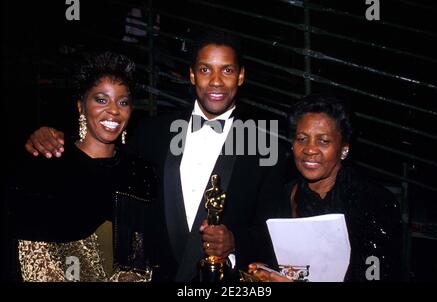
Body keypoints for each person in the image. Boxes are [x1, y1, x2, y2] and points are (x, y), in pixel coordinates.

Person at [24, 31, 286, 281]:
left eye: (227, 70)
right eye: (205, 69)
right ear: (192, 75)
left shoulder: (265, 144)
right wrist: (52, 137)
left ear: (240, 76)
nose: (216, 81)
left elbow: (276, 230)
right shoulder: (153, 131)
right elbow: (103, 164)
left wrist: (235, 242)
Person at [5, 52, 162, 281]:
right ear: (81, 106)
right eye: (101, 99)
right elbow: (32, 259)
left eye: (123, 102)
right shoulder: (47, 165)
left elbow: (145, 256)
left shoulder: (140, 173)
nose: (114, 110)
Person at [248, 95, 402, 282]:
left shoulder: (374, 202)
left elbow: (376, 276)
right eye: (302, 139)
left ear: (344, 148)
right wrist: (265, 271)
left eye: (323, 141)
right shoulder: (282, 196)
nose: (309, 149)